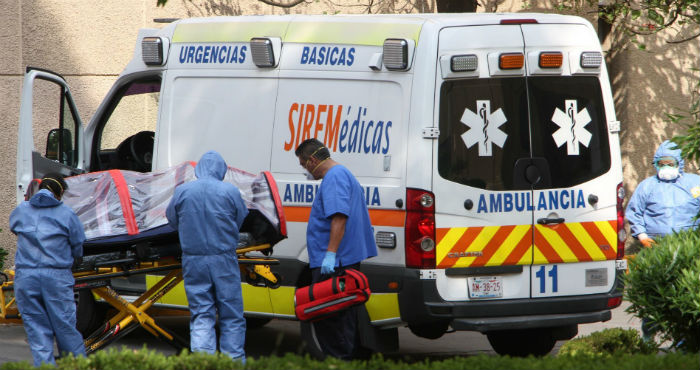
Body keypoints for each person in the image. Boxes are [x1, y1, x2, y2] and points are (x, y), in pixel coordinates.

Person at [295, 138, 378, 360]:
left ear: (312, 160)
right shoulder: (343, 174)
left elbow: (339, 218)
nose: (305, 170)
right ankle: (343, 360)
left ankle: (338, 362)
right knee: (340, 318)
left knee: (331, 319)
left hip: (336, 264)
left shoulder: (333, 177)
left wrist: (330, 255)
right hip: (341, 261)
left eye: (304, 165)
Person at [166, 151, 248, 362]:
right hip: (223, 259)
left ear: (199, 168)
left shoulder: (182, 191)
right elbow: (239, 219)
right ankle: (234, 363)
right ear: (222, 170)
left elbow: (172, 220)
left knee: (202, 314)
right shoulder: (230, 191)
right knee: (231, 314)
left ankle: (203, 363)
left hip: (194, 260)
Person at [625, 139, 700, 340]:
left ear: (679, 164)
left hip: (687, 249)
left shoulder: (694, 184)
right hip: (656, 250)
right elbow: (635, 212)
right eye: (662, 164)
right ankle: (648, 337)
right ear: (656, 164)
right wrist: (643, 237)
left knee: (685, 293)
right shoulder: (647, 186)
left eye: (670, 163)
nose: (666, 168)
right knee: (655, 294)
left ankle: (686, 339)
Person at [9, 173, 86, 367]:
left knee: (37, 329)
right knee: (65, 327)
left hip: (26, 278)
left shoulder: (21, 210)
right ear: (59, 193)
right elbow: (78, 244)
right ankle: (77, 366)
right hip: (56, 277)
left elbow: (14, 228)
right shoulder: (66, 214)